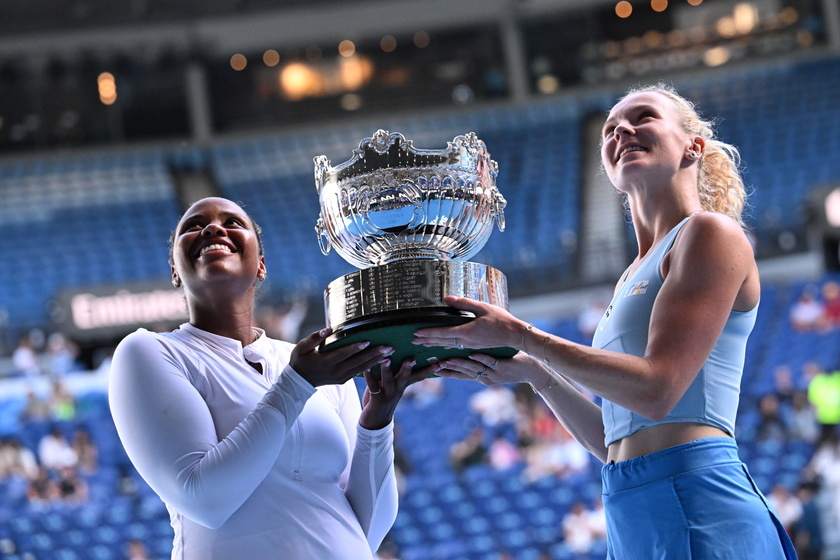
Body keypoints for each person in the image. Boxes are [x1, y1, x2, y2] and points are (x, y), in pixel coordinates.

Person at [413, 84, 797, 558]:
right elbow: (616, 441)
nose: (623, 130)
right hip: (628, 504)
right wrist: (536, 374)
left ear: (692, 147)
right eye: (611, 129)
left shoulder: (709, 232)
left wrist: (522, 334)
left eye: (644, 117)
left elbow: (657, 392)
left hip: (697, 495)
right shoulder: (630, 275)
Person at [109, 197, 424, 560]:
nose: (214, 228)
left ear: (261, 265)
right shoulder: (149, 352)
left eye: (233, 222)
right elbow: (205, 500)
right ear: (176, 272)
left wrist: (376, 424)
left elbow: (368, 526)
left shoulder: (315, 363)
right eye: (194, 226)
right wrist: (297, 383)